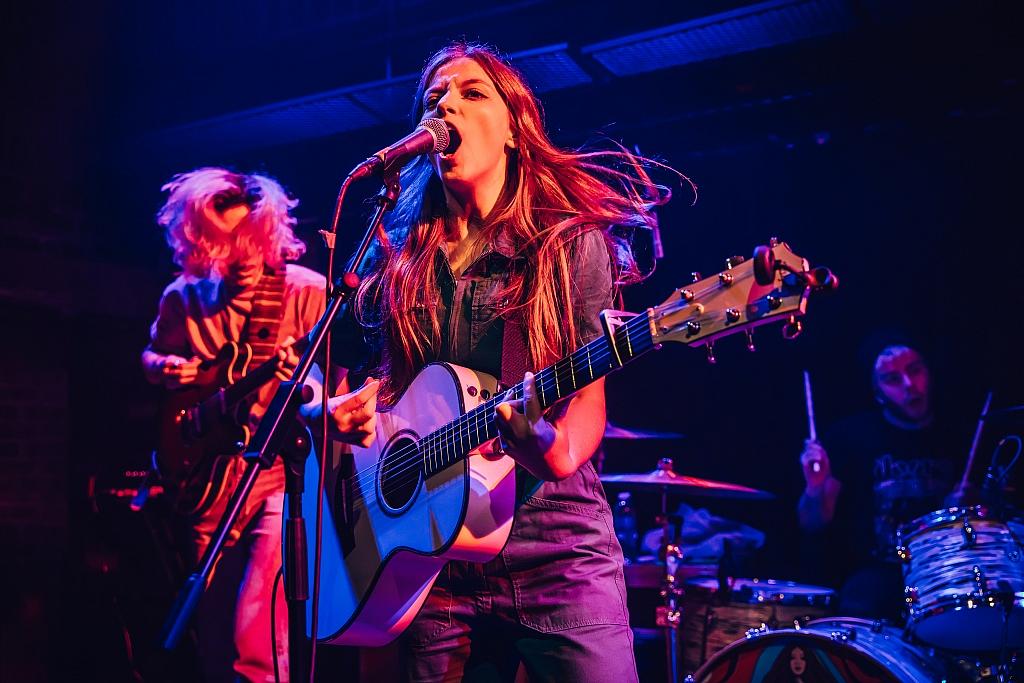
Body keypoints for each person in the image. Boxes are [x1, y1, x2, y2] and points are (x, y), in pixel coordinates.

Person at [330, 42, 671, 682]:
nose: (446, 105)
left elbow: (587, 395)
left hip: (555, 548)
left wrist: (555, 448)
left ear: (515, 129)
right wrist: (340, 413)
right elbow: (350, 375)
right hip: (427, 559)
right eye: (434, 99)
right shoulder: (393, 258)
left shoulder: (567, 243)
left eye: (470, 93)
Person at [142, 167, 375, 682]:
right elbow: (153, 356)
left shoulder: (307, 293)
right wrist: (162, 367)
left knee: (256, 629)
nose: (237, 253)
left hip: (273, 475)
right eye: (223, 240)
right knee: (213, 632)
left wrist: (311, 395)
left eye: (247, 237)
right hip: (206, 483)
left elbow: (334, 395)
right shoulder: (183, 298)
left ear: (267, 230)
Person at [796, 335, 970, 620]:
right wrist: (815, 487)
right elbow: (812, 523)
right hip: (880, 573)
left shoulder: (960, 433)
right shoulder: (850, 437)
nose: (909, 385)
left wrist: (965, 512)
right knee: (860, 599)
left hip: (946, 567)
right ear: (877, 393)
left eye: (915, 370)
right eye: (892, 379)